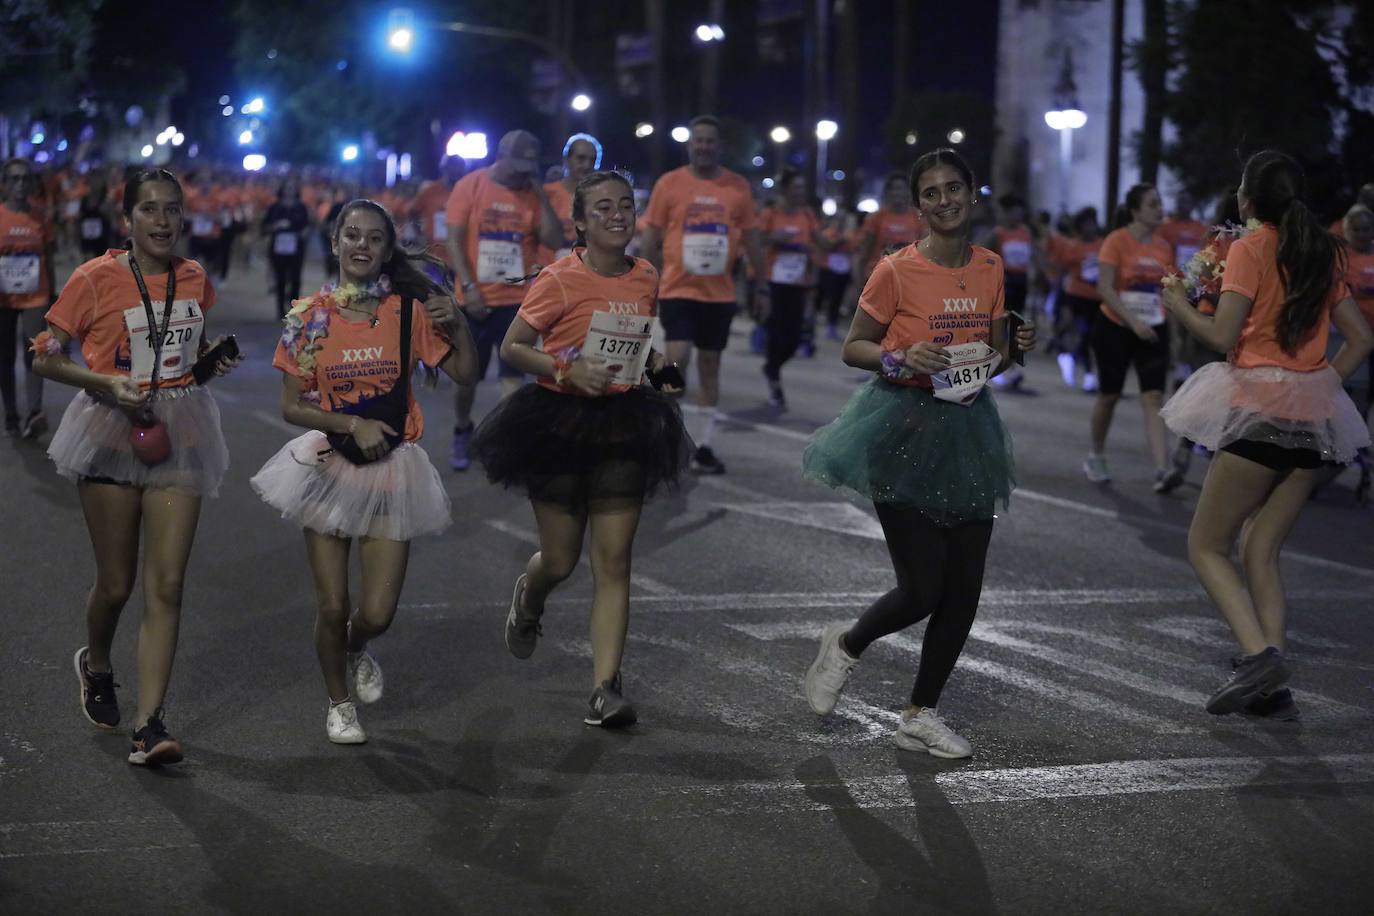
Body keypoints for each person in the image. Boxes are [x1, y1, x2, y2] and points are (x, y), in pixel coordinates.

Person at [801, 149, 1035, 759]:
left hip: (968, 429)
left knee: (965, 589)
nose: (944, 200)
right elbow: (855, 345)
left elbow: (989, 359)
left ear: (973, 192)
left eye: (954, 188)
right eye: (931, 193)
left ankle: (920, 713)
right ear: (918, 206)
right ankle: (848, 645)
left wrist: (1016, 347)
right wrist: (898, 357)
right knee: (923, 587)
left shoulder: (989, 267)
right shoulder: (895, 270)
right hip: (898, 426)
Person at [32, 168, 241, 765]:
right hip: (110, 429)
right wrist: (104, 381)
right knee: (117, 584)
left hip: (180, 429)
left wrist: (208, 362)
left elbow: (184, 351)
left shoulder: (194, 278)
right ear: (127, 220)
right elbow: (43, 356)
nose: (162, 221)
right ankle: (96, 663)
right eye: (149, 210)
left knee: (168, 584)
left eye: (172, 209)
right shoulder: (94, 278)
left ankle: (150, 726)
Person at [250, 199, 478, 745]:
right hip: (329, 465)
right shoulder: (307, 317)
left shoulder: (409, 311)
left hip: (394, 471)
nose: (361, 245)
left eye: (374, 239)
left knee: (376, 613)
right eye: (351, 235)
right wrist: (351, 426)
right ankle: (339, 702)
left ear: (386, 250)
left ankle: (358, 647)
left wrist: (460, 324)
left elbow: (467, 373)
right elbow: (292, 407)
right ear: (334, 244)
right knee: (333, 604)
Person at [471, 170, 690, 727]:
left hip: (624, 424)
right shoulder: (559, 279)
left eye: (625, 205)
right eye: (603, 208)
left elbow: (639, 344)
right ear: (580, 222)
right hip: (558, 425)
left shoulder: (645, 275)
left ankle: (605, 688)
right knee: (562, 560)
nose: (617, 215)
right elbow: (514, 347)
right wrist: (566, 368)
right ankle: (531, 594)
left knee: (614, 561)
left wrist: (659, 367)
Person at [1160, 151, 1373, 719]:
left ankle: (1259, 658)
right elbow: (1360, 339)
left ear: (1248, 201)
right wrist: (1320, 385)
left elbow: (1221, 332)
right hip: (1310, 419)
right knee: (1262, 548)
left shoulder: (1250, 248)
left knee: (1205, 545)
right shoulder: (1322, 252)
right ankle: (1272, 685)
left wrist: (1179, 304)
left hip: (1259, 413)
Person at [640, 115, 767, 475]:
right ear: (690, 145)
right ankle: (663, 436)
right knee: (675, 363)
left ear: (719, 146)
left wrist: (761, 284)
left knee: (711, 367)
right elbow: (651, 235)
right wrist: (644, 278)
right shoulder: (670, 184)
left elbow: (753, 238)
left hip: (720, 295)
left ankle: (704, 446)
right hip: (679, 288)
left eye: (710, 141)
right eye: (699, 141)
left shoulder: (737, 187)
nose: (704, 146)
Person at [444, 129, 563, 471]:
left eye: (528, 166)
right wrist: (469, 287)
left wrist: (539, 190)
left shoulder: (531, 193)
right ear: (500, 155)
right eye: (517, 165)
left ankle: (509, 445)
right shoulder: (471, 185)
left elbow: (554, 238)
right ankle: (462, 428)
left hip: (518, 301)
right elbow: (454, 240)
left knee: (513, 381)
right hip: (475, 301)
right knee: (468, 378)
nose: (521, 172)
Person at [1088, 183, 1182, 492]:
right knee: (1109, 396)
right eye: (1153, 204)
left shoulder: (1164, 247)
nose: (1160, 209)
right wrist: (1133, 323)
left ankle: (1162, 468)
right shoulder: (1116, 241)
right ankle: (1096, 456)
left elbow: (1169, 290)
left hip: (1154, 327)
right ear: (1135, 211)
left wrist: (1175, 332)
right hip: (1114, 326)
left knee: (1153, 396)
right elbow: (1104, 287)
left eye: (1160, 202)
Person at [1, 157, 57, 437]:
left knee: (35, 354)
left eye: (25, 178)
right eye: (14, 178)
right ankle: (11, 413)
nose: (21, 184)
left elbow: (48, 257)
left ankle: (34, 412)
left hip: (36, 296)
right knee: (5, 357)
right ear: (5, 184)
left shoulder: (41, 216)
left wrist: (55, 294)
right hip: (3, 301)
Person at [758, 168, 820, 408]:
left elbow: (819, 241)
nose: (800, 193)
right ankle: (774, 381)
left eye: (802, 188)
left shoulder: (807, 215)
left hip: (797, 282)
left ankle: (771, 367)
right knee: (777, 333)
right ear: (784, 190)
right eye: (795, 188)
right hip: (773, 282)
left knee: (794, 339)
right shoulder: (770, 214)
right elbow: (757, 241)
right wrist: (775, 238)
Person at [1042, 206, 1104, 392]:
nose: (1090, 228)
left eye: (1092, 223)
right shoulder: (1072, 246)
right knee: (1084, 332)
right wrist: (1054, 293)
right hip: (1075, 295)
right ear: (1080, 227)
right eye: (1086, 224)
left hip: (1098, 297)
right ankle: (1089, 374)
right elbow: (1060, 271)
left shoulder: (1103, 245)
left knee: (1094, 337)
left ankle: (1069, 355)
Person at [538, 133, 601, 268]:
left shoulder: (601, 199)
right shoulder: (546, 193)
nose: (587, 165)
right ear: (566, 159)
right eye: (581, 158)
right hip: (549, 275)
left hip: (585, 276)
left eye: (593, 160)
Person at [262, 178, 310, 318]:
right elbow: (265, 226)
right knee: (280, 278)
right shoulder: (274, 207)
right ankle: (280, 310)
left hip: (296, 246)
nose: (289, 191)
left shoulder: (301, 207)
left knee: (295, 278)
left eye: (292, 188)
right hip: (278, 246)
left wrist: (303, 233)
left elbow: (307, 225)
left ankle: (293, 307)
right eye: (287, 188)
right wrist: (275, 227)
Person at [815, 210, 856, 340]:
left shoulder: (850, 235)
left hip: (843, 270)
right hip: (827, 269)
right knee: (821, 296)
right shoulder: (827, 233)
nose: (841, 223)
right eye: (838, 220)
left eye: (843, 220)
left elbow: (853, 249)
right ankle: (812, 322)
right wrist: (838, 242)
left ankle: (832, 326)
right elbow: (826, 246)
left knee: (837, 299)